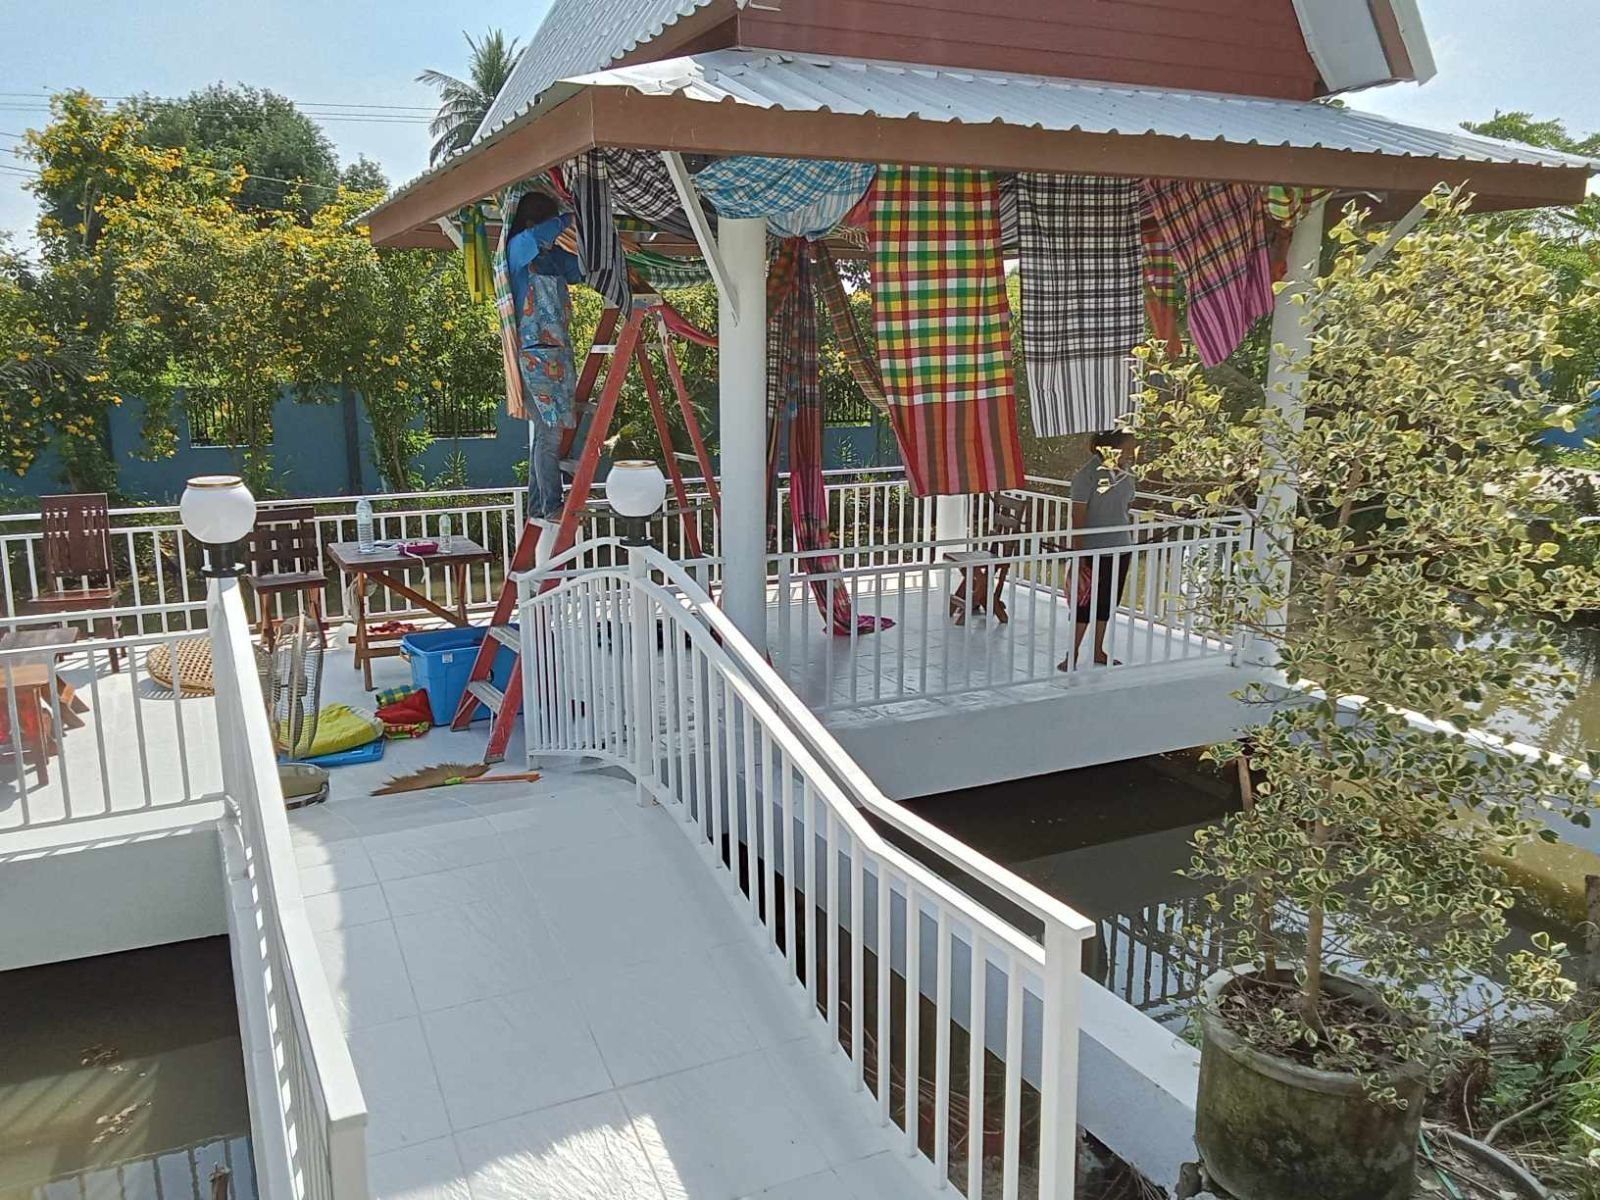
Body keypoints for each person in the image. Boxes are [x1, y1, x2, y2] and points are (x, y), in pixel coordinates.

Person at [507, 191, 583, 521]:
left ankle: (539, 505)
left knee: (547, 435)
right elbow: (537, 237)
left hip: (557, 357)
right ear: (532, 223)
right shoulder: (517, 249)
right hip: (534, 359)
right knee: (550, 435)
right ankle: (552, 504)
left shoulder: (552, 259)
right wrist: (571, 217)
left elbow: (580, 270)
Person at [1059, 428, 1138, 670]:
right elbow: (1077, 516)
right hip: (1094, 550)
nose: (1132, 452)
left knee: (1107, 602)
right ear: (1111, 447)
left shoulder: (1126, 472)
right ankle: (1072, 654)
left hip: (1121, 547)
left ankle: (1098, 651)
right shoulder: (1087, 476)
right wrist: (1080, 554)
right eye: (1127, 447)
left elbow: (1124, 507)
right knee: (1084, 605)